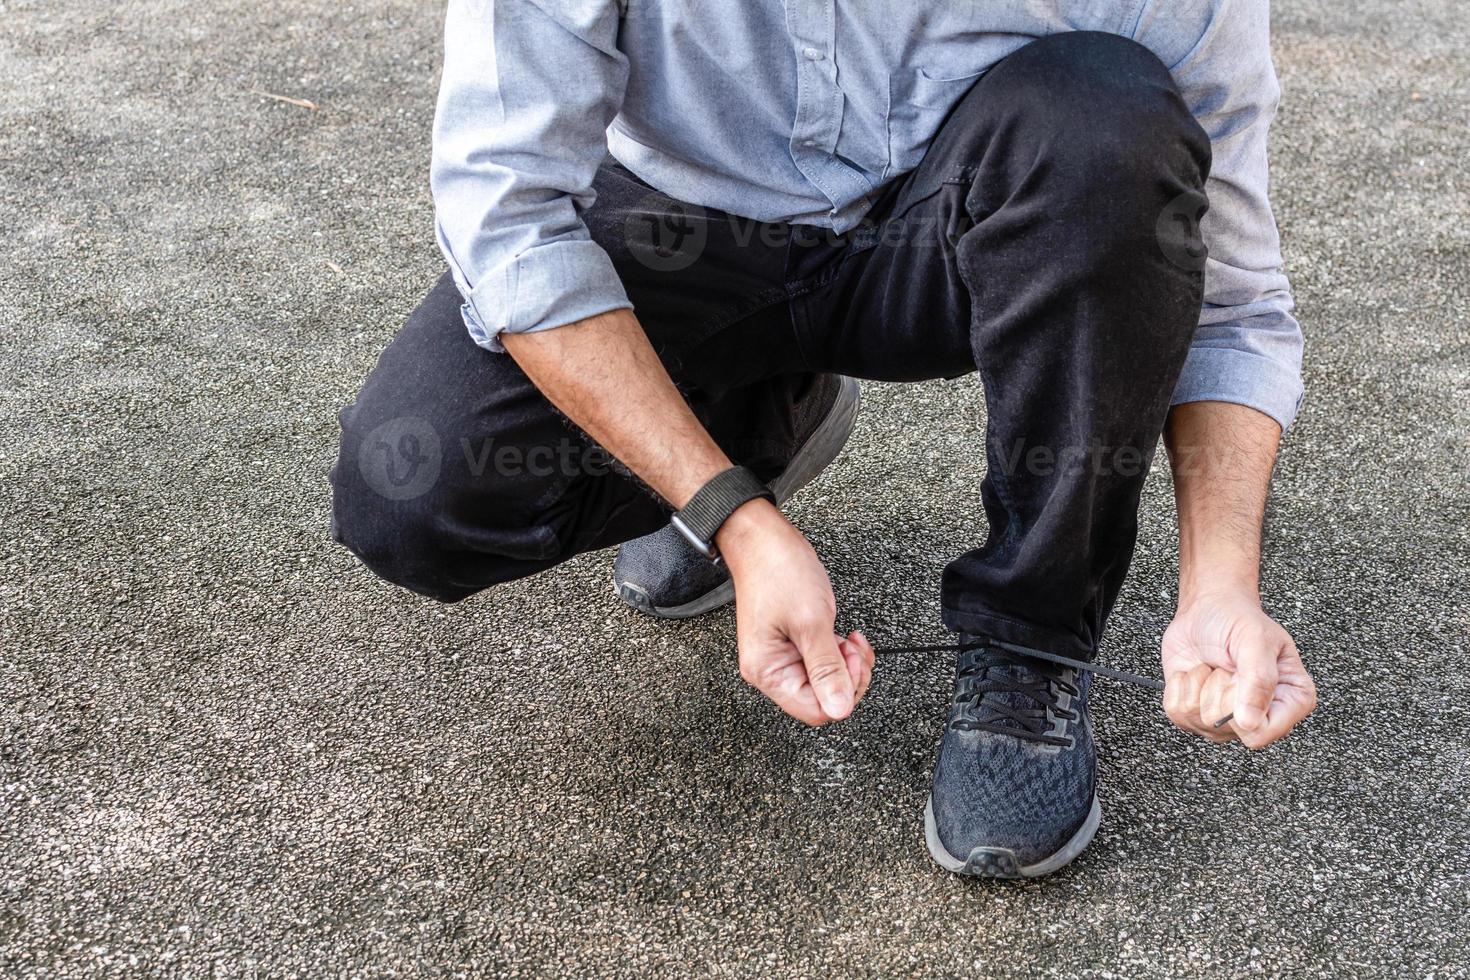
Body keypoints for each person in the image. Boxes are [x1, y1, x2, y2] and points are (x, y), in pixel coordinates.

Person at [330, 0, 1318, 878]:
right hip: (686, 225)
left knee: (1109, 136)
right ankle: (754, 427)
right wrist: (732, 514)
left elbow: (1228, 294)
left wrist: (1220, 581)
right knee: (419, 495)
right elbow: (509, 222)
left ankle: (1032, 640)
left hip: (954, 234)